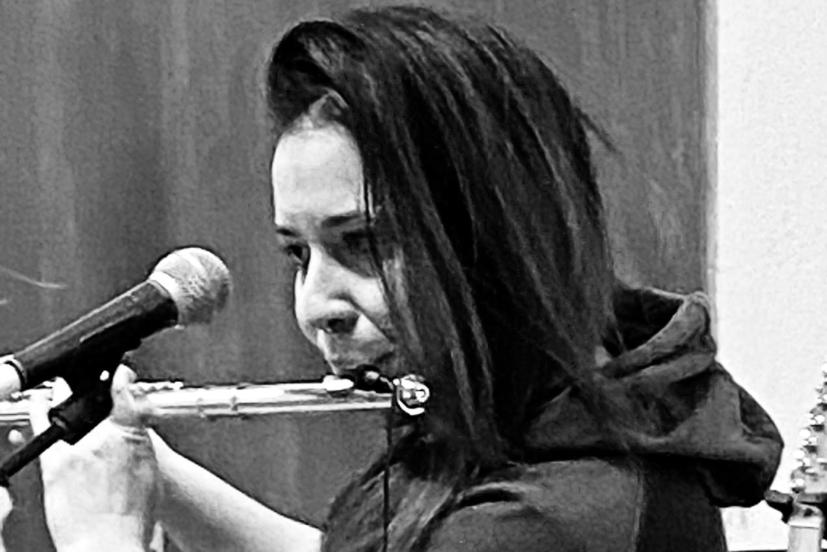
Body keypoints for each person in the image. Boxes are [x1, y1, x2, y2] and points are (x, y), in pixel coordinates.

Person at [30, 5, 783, 552]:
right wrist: (155, 473)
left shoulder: (559, 515)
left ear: (498, 236)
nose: (315, 307)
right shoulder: (522, 427)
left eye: (363, 243)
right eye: (299, 255)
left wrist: (106, 536)